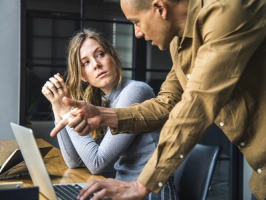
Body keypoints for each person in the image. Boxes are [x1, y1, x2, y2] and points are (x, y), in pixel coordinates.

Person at [51, 0, 266, 199]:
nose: (137, 33)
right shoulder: (180, 44)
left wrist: (142, 184)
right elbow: (167, 103)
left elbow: (198, 102)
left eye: (136, 22)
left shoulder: (227, 12)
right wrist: (103, 115)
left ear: (159, 8)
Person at [42, 29, 178, 200]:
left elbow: (96, 163)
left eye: (100, 54)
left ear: (114, 56)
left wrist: (66, 112)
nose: (96, 64)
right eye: (85, 63)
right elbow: (73, 162)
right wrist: (57, 106)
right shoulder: (103, 100)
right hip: (122, 191)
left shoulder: (135, 91)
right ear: (83, 76)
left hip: (150, 193)